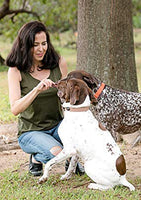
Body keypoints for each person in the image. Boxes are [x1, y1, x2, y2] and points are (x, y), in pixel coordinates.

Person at [6, 21, 84, 176]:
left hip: (57, 125)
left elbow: (67, 98)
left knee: (82, 141)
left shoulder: (58, 63)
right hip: (31, 131)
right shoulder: (16, 71)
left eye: (44, 43)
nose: (41, 49)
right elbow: (15, 109)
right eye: (35, 45)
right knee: (58, 154)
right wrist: (36, 89)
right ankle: (36, 158)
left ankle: (70, 158)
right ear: (25, 45)